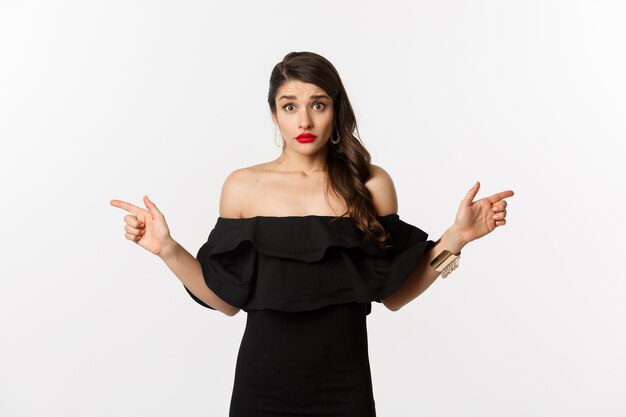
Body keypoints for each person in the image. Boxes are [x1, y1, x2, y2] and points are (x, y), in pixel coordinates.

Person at [110, 51, 514, 416]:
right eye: (290, 106)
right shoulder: (242, 187)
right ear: (274, 114)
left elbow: (394, 295)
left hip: (345, 389)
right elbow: (228, 301)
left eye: (317, 105)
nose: (304, 121)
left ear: (335, 110)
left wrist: (455, 238)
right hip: (261, 389)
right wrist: (167, 249)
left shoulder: (371, 185)